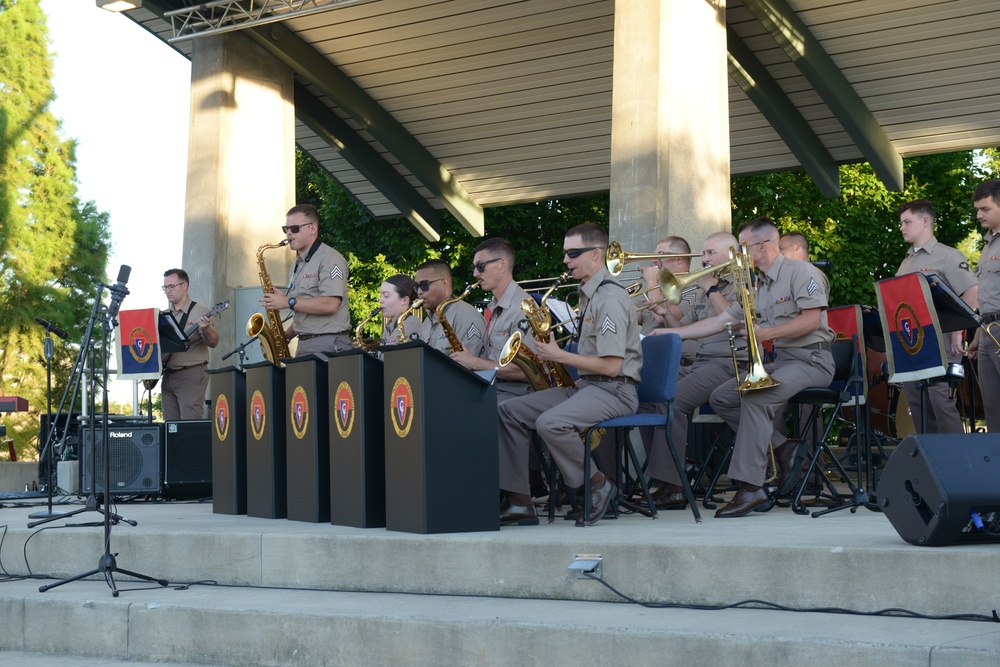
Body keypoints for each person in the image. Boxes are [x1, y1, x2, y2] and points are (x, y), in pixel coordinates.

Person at [656, 217, 834, 518]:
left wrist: (768, 334)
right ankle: (783, 448)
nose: (738, 254)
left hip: (812, 358)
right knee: (723, 397)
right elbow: (719, 321)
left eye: (742, 247)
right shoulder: (759, 284)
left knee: (756, 394)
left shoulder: (801, 272)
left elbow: (812, 320)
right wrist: (671, 333)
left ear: (762, 245)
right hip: (785, 360)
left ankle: (751, 487)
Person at [497, 223, 643, 527]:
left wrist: (559, 355)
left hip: (615, 390)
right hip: (588, 386)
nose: (566, 260)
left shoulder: (610, 299)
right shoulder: (588, 294)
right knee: (508, 411)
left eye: (573, 253)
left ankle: (597, 485)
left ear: (596, 254)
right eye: (565, 253)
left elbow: (613, 366)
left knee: (551, 422)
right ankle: (520, 500)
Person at [642, 232, 743, 508]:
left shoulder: (742, 283)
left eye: (711, 253)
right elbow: (683, 326)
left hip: (729, 362)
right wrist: (662, 313)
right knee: (650, 395)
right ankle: (668, 475)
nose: (705, 258)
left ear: (732, 254)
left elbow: (731, 320)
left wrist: (711, 289)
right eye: (705, 252)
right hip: (702, 361)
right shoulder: (703, 287)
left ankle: (674, 486)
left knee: (671, 398)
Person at [895, 199, 978, 434]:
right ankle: (930, 464)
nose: (902, 227)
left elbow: (972, 293)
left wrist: (956, 331)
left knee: (941, 401)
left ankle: (957, 463)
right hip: (911, 345)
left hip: (941, 342)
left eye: (907, 222)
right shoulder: (906, 261)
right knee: (918, 405)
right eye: (901, 223)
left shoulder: (947, 256)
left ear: (925, 221)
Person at [449, 238, 535, 402]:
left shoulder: (522, 308)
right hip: (496, 387)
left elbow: (524, 372)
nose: (475, 274)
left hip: (518, 392)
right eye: (474, 267)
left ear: (502, 265)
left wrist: (475, 363)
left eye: (481, 266)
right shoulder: (493, 308)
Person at [260, 204, 351, 358]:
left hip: (328, 343)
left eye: (295, 228)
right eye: (286, 229)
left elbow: (331, 305)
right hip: (306, 343)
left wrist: (287, 301)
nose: (289, 233)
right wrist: (284, 337)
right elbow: (306, 311)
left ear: (312, 228)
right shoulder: (297, 264)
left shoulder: (330, 259)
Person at [160, 269, 219, 421]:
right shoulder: (163, 315)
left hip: (190, 374)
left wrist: (206, 329)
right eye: (165, 287)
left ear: (184, 285)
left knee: (189, 425)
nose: (167, 291)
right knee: (170, 427)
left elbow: (214, 342)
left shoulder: (201, 311)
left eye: (171, 286)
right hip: (168, 376)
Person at [636, 236, 699, 366]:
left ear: (679, 258)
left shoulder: (695, 288)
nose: (653, 260)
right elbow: (628, 316)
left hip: (670, 360)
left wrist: (651, 282)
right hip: (644, 354)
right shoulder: (657, 287)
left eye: (661, 254)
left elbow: (662, 317)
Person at [968, 181, 1000, 432]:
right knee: (991, 407)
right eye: (977, 209)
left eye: (985, 209)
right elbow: (985, 298)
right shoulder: (988, 244)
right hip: (988, 330)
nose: (979, 214)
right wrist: (978, 336)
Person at [414, 259, 487, 356]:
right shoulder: (428, 321)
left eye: (424, 285)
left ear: (444, 283)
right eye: (416, 286)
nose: (419, 292)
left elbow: (470, 365)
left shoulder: (465, 316)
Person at [379, 274, 420, 346]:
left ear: (404, 300)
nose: (380, 300)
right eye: (380, 296)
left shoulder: (411, 323)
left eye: (386, 296)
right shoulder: (390, 325)